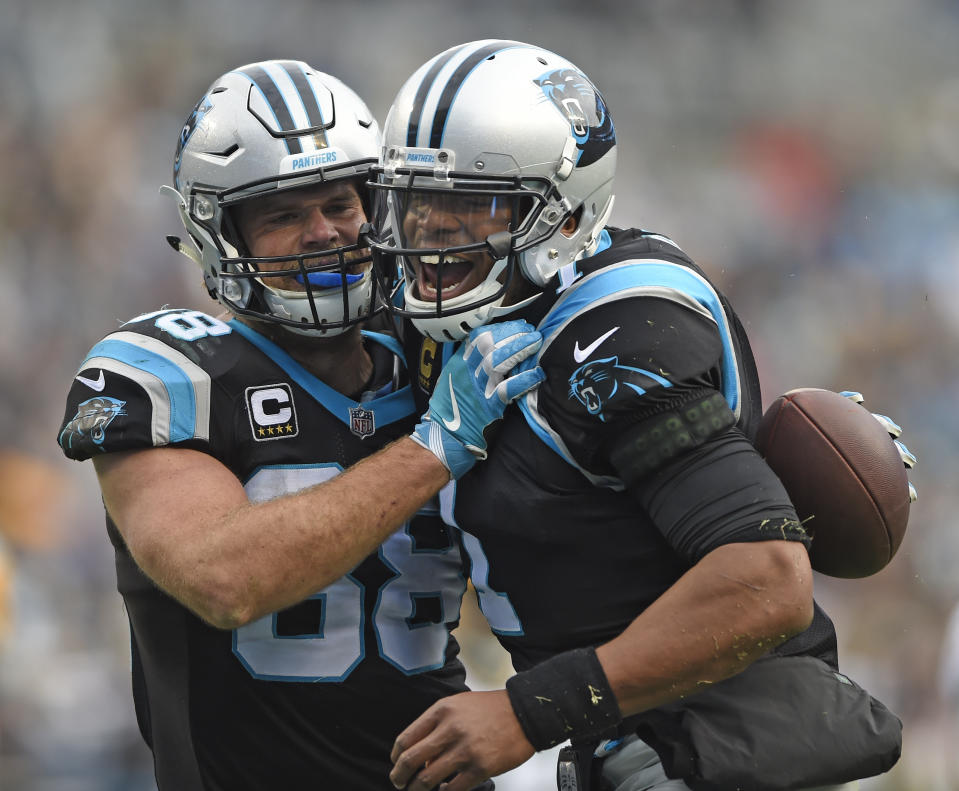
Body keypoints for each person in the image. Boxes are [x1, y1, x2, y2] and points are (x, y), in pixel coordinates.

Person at [369, 40, 908, 791]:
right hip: (630, 740)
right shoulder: (463, 317)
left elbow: (765, 576)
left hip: (719, 751)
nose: (430, 237)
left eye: (470, 209)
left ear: (559, 214)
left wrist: (529, 712)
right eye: (418, 203)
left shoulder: (614, 331)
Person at [56, 59, 544, 791]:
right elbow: (226, 580)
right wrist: (432, 447)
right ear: (221, 236)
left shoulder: (435, 351)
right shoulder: (167, 369)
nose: (322, 234)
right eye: (282, 215)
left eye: (339, 205)